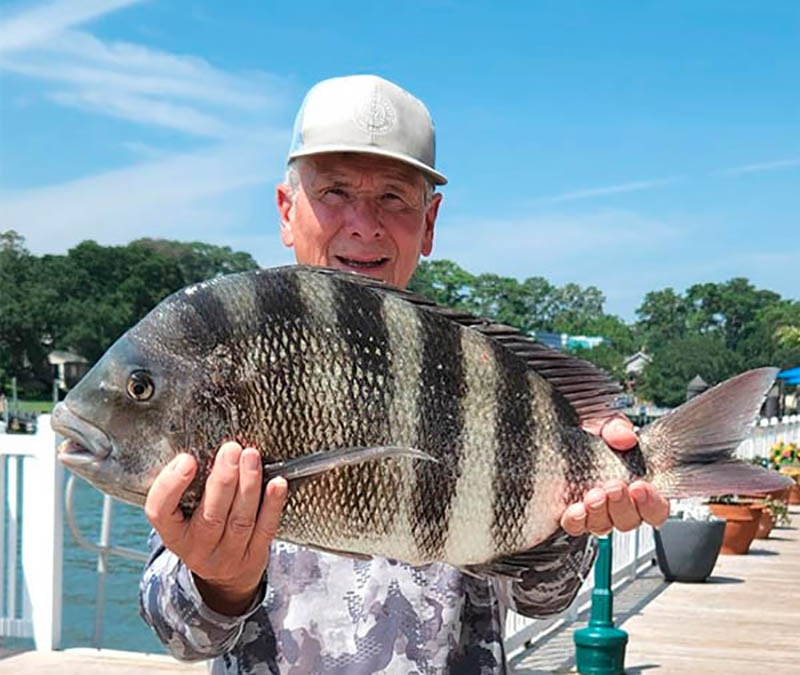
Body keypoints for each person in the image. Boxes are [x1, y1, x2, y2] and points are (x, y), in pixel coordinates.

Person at [139, 74, 669, 674]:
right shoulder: (232, 352)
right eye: (334, 191)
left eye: (393, 197)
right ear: (288, 211)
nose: (364, 224)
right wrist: (219, 582)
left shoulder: (480, 368)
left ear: (430, 221)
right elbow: (178, 633)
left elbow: (544, 598)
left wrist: (582, 512)